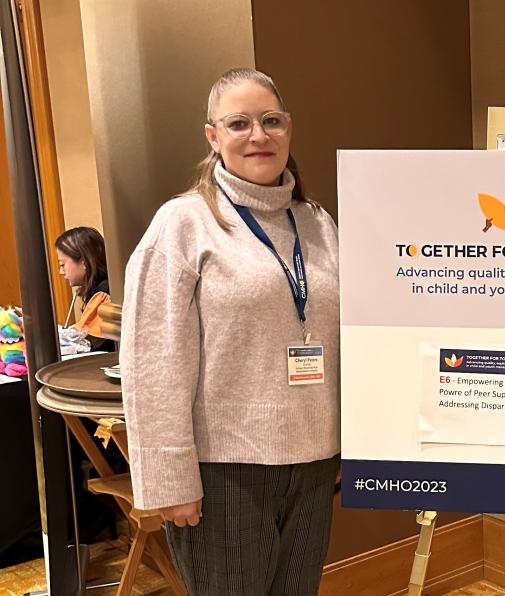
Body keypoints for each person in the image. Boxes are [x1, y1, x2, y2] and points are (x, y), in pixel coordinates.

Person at [121, 68, 340, 595]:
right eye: (239, 123)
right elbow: (153, 362)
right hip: (224, 471)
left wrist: (346, 440)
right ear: (213, 136)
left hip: (312, 463)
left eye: (271, 121)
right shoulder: (183, 224)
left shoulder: (317, 222)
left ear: (289, 129)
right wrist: (170, 480)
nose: (258, 136)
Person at [55, 226, 114, 351]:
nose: (61, 271)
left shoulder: (103, 294)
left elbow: (85, 340)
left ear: (83, 262)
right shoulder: (102, 289)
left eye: (62, 264)